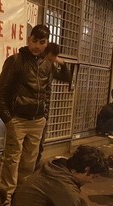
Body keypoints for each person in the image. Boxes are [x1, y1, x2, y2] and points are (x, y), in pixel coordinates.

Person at [0, 25, 70, 206]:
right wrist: (9, 120)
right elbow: (0, 93)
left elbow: (66, 78)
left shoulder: (48, 64)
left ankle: (21, 196)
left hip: (37, 121)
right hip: (17, 120)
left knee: (29, 162)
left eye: (42, 42)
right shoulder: (15, 60)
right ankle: (7, 198)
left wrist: (60, 62)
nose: (37, 46)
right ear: (28, 39)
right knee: (12, 161)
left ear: (47, 43)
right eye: (34, 41)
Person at [35, 42, 72, 170]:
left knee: (40, 142)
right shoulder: (36, 63)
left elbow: (66, 77)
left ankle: (35, 167)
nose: (53, 59)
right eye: (52, 56)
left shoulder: (50, 66)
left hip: (44, 110)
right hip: (33, 110)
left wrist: (62, 63)